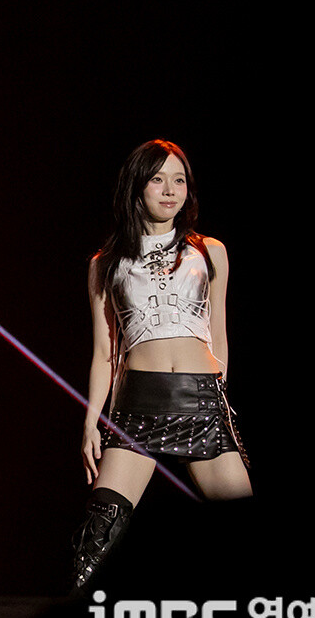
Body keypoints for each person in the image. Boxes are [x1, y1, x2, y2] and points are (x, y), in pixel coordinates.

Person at [73, 139, 252, 590]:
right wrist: (92, 421)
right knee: (96, 540)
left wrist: (220, 402)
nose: (170, 190)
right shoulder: (105, 264)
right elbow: (105, 351)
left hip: (200, 401)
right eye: (158, 179)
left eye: (179, 180)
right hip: (137, 405)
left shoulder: (209, 251)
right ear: (137, 186)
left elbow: (219, 336)